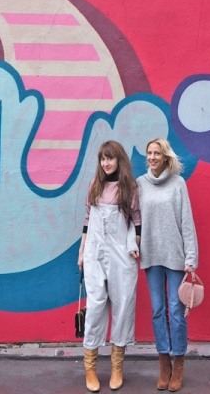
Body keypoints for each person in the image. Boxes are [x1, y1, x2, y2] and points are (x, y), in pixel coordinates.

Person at [78, 140, 141, 392]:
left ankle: (117, 367)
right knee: (95, 307)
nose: (105, 163)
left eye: (110, 158)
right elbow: (87, 219)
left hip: (121, 253)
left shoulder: (129, 188)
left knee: (123, 305)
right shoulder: (95, 185)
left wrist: (134, 245)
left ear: (119, 160)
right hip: (94, 251)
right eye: (102, 159)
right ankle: (90, 369)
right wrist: (82, 251)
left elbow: (136, 220)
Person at [137, 138, 198, 392]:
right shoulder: (140, 184)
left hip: (174, 256)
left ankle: (179, 362)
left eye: (156, 153)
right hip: (150, 255)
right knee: (157, 310)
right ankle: (164, 364)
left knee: (176, 310)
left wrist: (191, 258)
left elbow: (187, 221)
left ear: (165, 157)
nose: (152, 157)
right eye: (149, 153)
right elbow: (134, 221)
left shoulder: (178, 184)